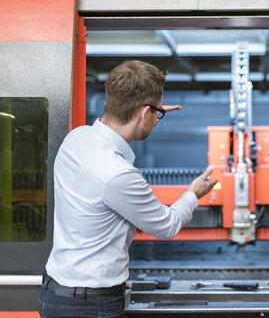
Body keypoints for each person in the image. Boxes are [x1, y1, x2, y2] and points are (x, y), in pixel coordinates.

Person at [39, 60, 217, 318]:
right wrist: (192, 194)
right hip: (90, 306)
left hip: (55, 294)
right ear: (144, 113)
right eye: (156, 113)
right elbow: (166, 226)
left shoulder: (76, 138)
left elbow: (125, 118)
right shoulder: (118, 174)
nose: (157, 117)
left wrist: (149, 114)